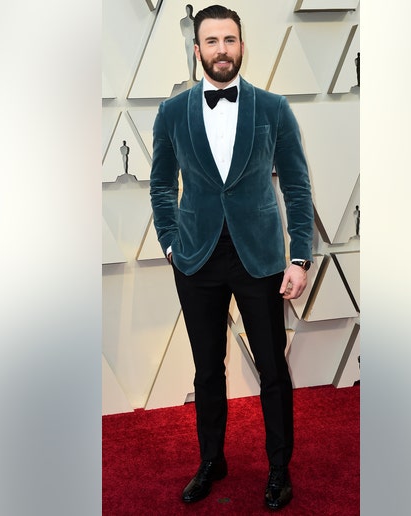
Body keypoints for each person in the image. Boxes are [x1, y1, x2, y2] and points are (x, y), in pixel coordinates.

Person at [149, 4, 313, 510]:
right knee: (206, 369)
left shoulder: (274, 108)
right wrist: (172, 245)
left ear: (243, 45)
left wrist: (300, 257)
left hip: (260, 258)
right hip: (196, 259)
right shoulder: (172, 112)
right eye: (212, 41)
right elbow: (159, 185)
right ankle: (211, 460)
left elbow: (298, 186)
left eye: (231, 40)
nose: (223, 50)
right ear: (196, 50)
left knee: (272, 369)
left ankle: (279, 469)